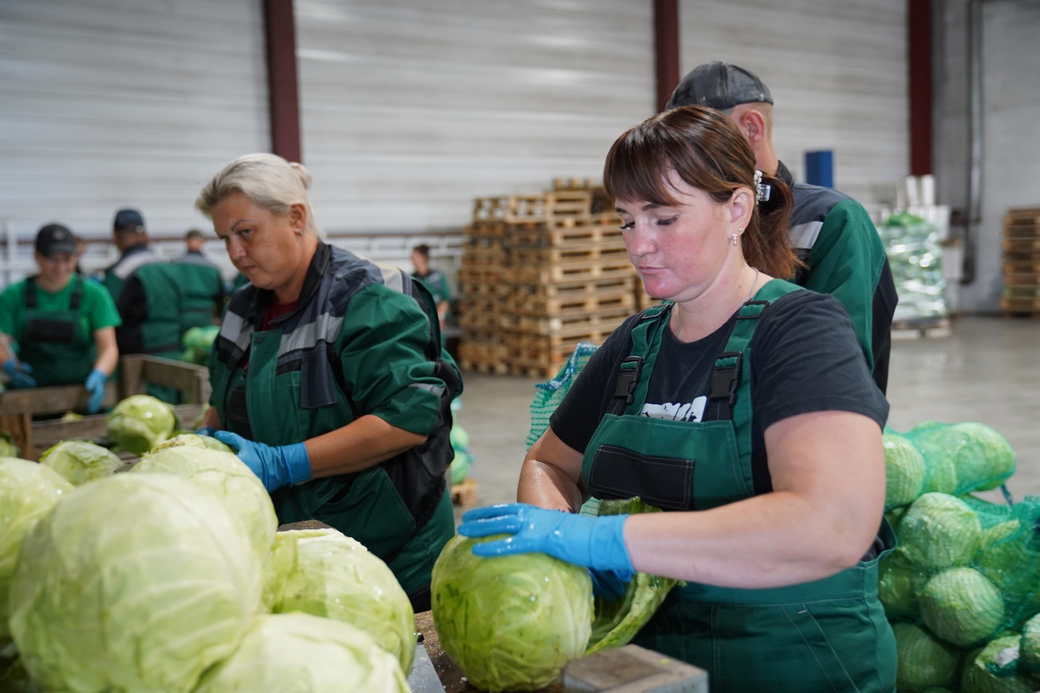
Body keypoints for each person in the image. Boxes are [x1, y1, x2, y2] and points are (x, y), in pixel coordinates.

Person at [458, 107, 895, 692]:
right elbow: (549, 462)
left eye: (664, 219)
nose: (639, 246)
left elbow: (832, 523)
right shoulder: (635, 344)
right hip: (649, 666)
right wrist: (559, 546)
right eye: (626, 222)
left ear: (737, 209)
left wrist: (606, 540)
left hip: (792, 658)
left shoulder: (802, 330)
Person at [195, 153, 462, 611]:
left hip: (390, 557)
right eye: (225, 239)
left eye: (246, 233)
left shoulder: (371, 296)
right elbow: (221, 402)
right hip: (297, 553)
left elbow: (407, 419)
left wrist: (284, 462)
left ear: (296, 217)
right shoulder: (242, 309)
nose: (235, 253)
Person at [666, 61, 897, 392]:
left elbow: (838, 363)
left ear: (752, 127)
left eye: (699, 139)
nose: (683, 158)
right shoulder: (706, 218)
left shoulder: (830, 220)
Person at [0, 224, 120, 413]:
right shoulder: (14, 296)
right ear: (37, 257)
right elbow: (1, 341)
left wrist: (99, 375)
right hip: (32, 398)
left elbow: (109, 348)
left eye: (67, 259)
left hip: (81, 395)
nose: (61, 267)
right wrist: (8, 364)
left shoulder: (94, 294)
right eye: (52, 260)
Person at [100, 208, 160, 303]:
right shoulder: (162, 263)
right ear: (145, 234)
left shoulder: (120, 272)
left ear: (116, 236)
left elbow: (107, 308)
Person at [410, 244, 452, 329]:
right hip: (419, 323)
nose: (412, 260)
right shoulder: (411, 279)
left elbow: (445, 299)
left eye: (414, 257)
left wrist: (440, 318)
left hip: (436, 322)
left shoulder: (438, 277)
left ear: (423, 258)